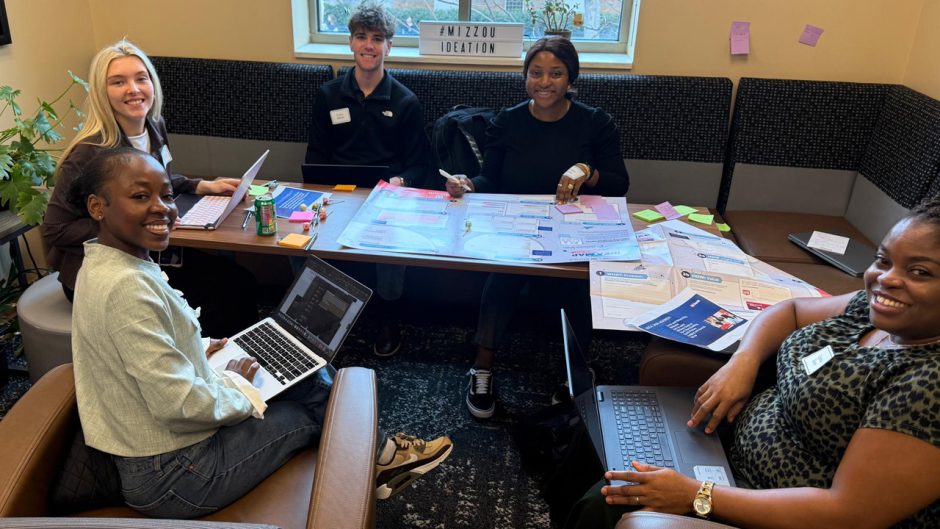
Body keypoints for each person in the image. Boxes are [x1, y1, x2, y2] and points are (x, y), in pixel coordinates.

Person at [70, 147, 453, 518]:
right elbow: (181, 405)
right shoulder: (126, 288)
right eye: (141, 196)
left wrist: (198, 348)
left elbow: (138, 348)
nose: (163, 208)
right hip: (177, 476)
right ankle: (381, 461)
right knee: (317, 414)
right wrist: (238, 385)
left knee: (303, 375)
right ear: (97, 207)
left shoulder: (109, 264)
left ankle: (381, 455)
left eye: (166, 195)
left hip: (165, 448)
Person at [563, 196, 940, 529]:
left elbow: (849, 514)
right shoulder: (872, 310)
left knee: (610, 499)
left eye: (919, 272)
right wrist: (742, 362)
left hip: (779, 507)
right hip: (729, 448)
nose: (885, 279)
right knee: (609, 417)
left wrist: (697, 494)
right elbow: (791, 311)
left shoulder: (927, 384)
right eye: (883, 260)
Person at [445, 36, 629, 419]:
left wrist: (588, 171)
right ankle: (482, 369)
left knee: (575, 285)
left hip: (572, 229)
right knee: (501, 279)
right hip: (516, 228)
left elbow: (620, 184)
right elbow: (490, 178)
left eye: (556, 74)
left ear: (570, 78)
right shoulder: (508, 120)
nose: (545, 82)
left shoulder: (595, 122)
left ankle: (575, 371)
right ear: (526, 77)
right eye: (536, 73)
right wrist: (469, 184)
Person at [42, 38, 258, 337]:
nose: (133, 89)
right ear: (103, 93)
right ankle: (202, 367)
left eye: (140, 78)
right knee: (221, 295)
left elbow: (159, 179)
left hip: (144, 256)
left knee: (239, 281)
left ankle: (232, 369)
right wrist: (134, 225)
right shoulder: (89, 153)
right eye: (118, 82)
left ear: (152, 84)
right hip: (98, 272)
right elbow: (54, 229)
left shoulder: (153, 127)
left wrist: (203, 185)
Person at [305, 3, 431, 357]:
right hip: (338, 194)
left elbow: (419, 165)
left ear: (389, 46)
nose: (369, 45)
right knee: (297, 238)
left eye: (378, 39)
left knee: (390, 238)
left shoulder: (405, 101)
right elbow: (315, 156)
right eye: (362, 37)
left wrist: (398, 184)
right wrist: (319, 195)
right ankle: (318, 315)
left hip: (386, 197)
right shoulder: (328, 95)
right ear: (350, 43)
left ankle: (389, 318)